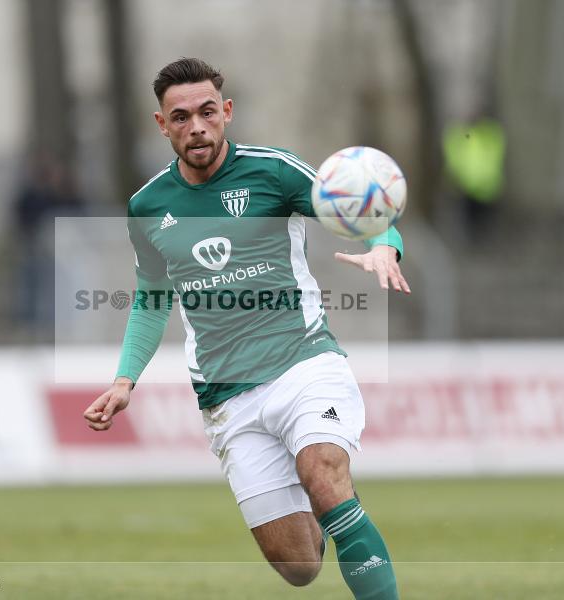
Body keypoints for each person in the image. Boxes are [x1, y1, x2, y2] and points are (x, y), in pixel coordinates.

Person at [83, 58, 409, 600]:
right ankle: (325, 516)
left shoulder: (274, 170)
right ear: (161, 125)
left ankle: (331, 505)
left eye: (207, 112)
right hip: (227, 393)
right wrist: (124, 381)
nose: (197, 128)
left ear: (226, 112)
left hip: (304, 362)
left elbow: (368, 211)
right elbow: (152, 294)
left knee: (324, 475)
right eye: (181, 117)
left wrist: (383, 247)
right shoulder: (147, 205)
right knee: (298, 566)